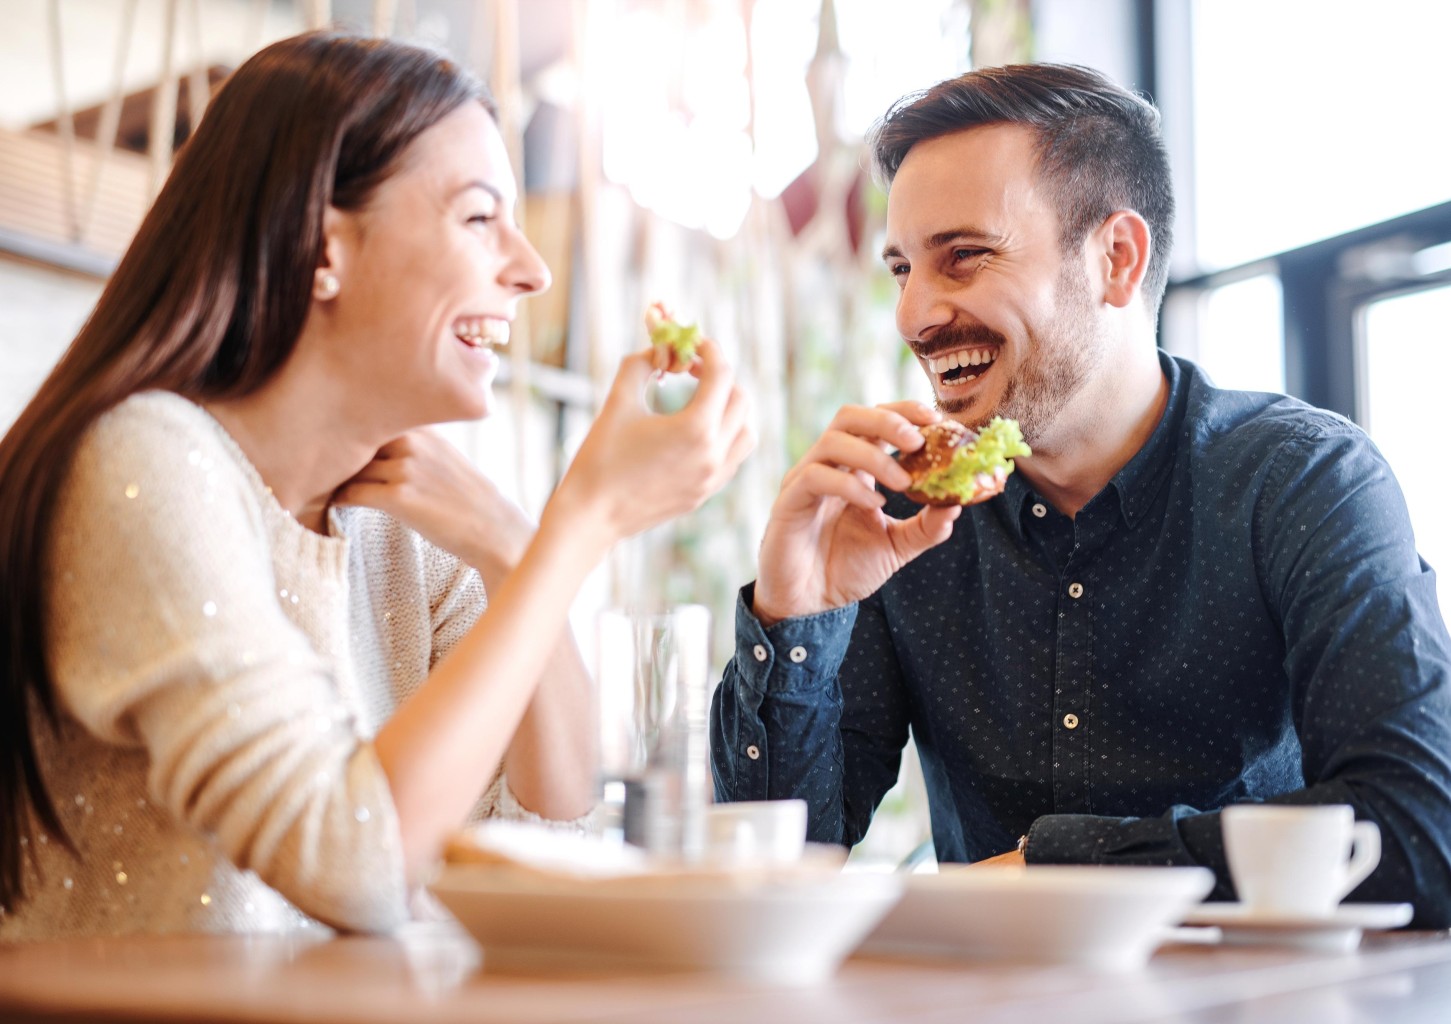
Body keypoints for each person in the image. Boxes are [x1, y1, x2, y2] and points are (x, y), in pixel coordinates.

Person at [0, 31, 752, 939]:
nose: (531, 268)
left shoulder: (405, 524)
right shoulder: (140, 460)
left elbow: (553, 819)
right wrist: (582, 523)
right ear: (325, 245)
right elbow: (352, 861)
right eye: (479, 218)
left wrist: (519, 551)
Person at [710, 62, 1451, 926]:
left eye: (964, 257)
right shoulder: (898, 514)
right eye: (902, 269)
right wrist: (795, 612)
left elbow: (1419, 831)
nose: (913, 315)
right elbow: (769, 873)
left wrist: (1056, 866)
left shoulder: (1301, 481)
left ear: (1115, 259)